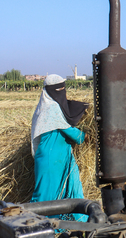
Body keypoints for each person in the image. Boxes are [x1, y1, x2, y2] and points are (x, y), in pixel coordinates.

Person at [30, 74, 89, 222]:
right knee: (46, 197)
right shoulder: (51, 108)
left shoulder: (47, 106)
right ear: (50, 91)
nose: (62, 91)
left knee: (73, 187)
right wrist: (84, 137)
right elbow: (68, 130)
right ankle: (38, 226)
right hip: (50, 158)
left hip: (63, 155)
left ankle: (79, 223)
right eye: (59, 89)